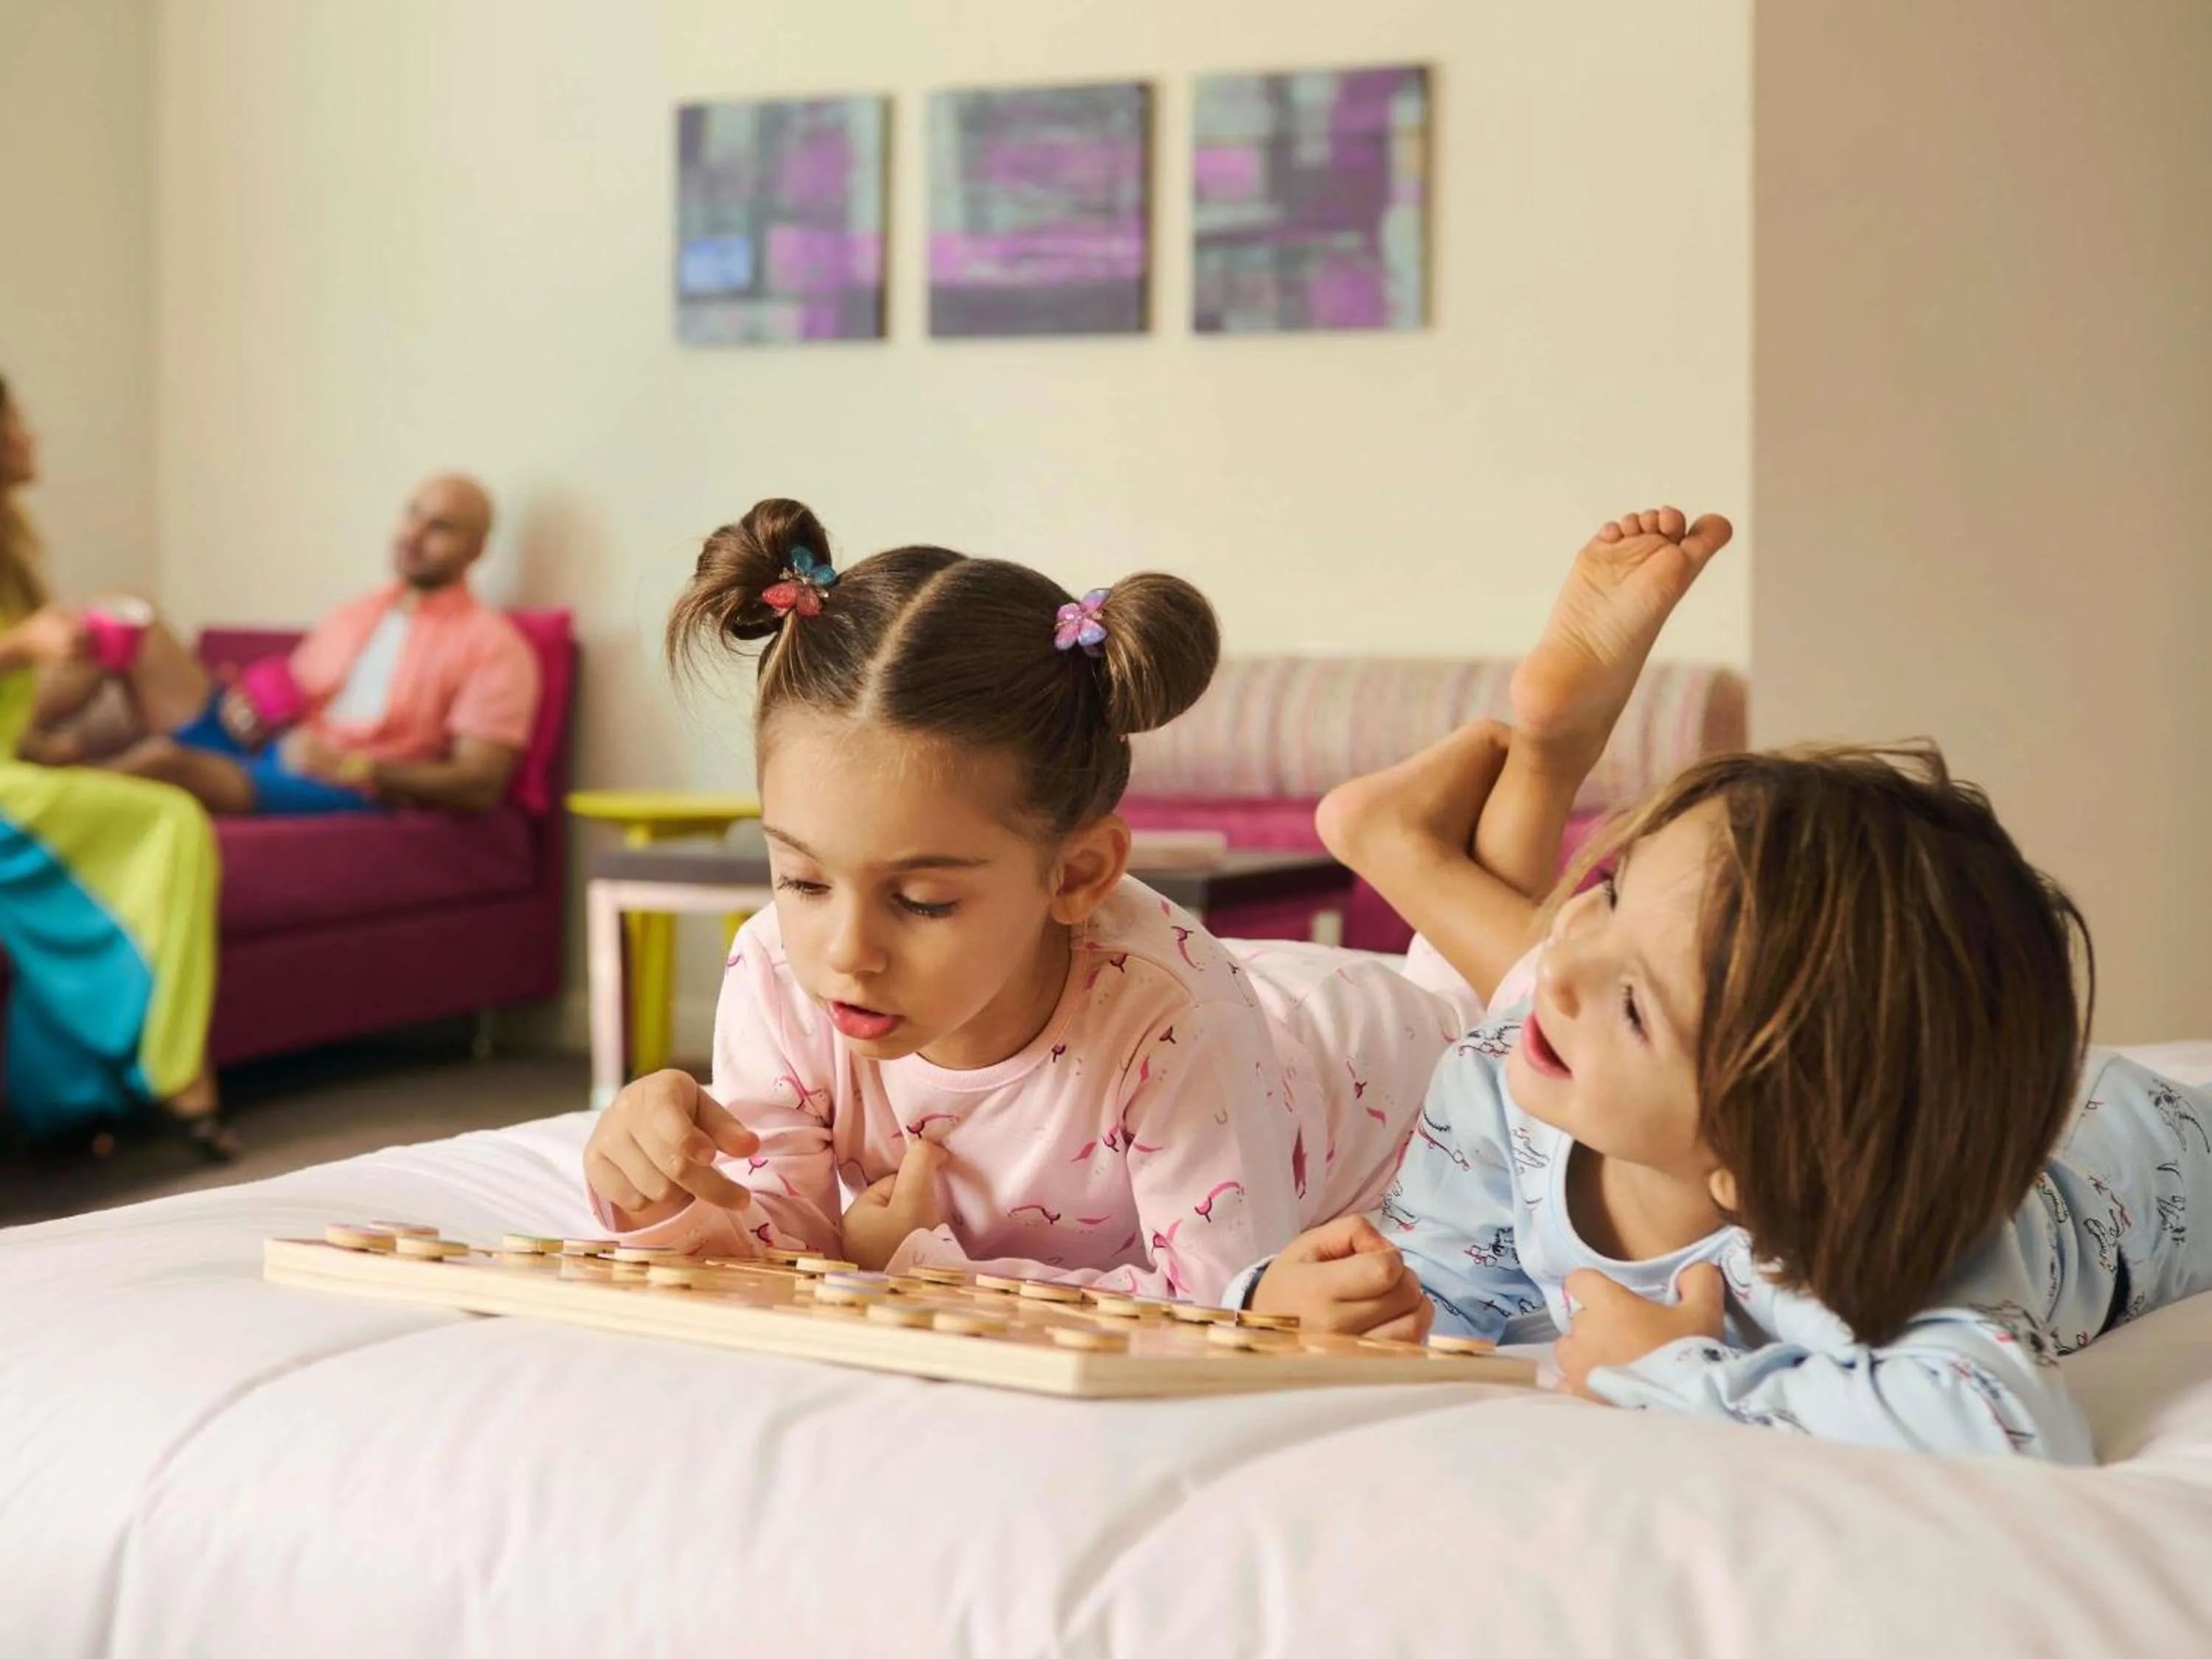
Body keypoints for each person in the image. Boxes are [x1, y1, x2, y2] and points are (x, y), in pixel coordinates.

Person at [1237, 505, 2212, 1461]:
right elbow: (1437, 1289)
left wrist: (1675, 1370)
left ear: (1755, 1161)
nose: (1560, 966)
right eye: (1610, 891)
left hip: (2145, 1153)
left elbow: (2008, 1424)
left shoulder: (1840, 1247)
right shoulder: (1500, 1078)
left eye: (1633, 1006)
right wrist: (1286, 1300)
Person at [580, 498, 1462, 1302]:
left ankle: (1467, 809)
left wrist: (907, 1266)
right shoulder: (781, 964)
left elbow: (1221, 1301)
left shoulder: (1177, 1023)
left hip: (1370, 1055)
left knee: (1485, 1008)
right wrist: (662, 1191)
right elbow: (783, 1248)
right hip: (1256, 994)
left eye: (923, 900)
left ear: (1077, 876)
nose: (846, 950)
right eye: (804, 880)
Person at [0, 372, 229, 1152]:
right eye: (18, 422)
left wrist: (46, 749)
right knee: (169, 820)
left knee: (168, 824)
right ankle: (178, 1076)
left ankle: (63, 1102)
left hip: (12, 772)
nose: (32, 437)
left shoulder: (16, 546)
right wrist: (26, 644)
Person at [28, 473, 540, 815]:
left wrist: (356, 767)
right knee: (124, 610)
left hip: (346, 784)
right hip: (270, 748)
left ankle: (46, 803)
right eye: (413, 515)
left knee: (164, 762)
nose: (414, 533)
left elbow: (480, 783)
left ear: (476, 549)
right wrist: (248, 703)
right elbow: (291, 701)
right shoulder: (355, 612)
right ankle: (20, 736)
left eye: (441, 528)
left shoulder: (494, 646)